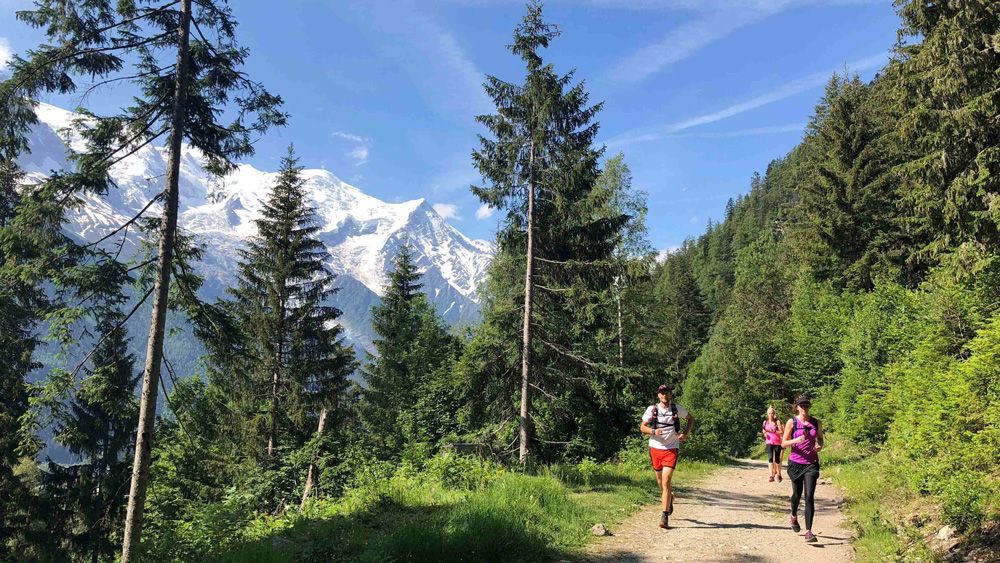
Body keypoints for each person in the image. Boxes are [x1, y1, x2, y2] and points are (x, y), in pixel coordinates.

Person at [640, 384, 695, 529]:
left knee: (666, 482)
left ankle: (664, 516)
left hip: (671, 449)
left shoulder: (677, 409)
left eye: (667, 393)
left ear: (670, 395)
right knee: (660, 482)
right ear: (658, 395)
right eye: (662, 393)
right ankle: (670, 499)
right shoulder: (652, 409)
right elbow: (642, 426)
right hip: (655, 449)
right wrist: (653, 431)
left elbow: (690, 419)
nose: (664, 395)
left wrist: (685, 434)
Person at [782, 395, 824, 543]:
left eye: (807, 405)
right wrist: (796, 440)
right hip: (796, 463)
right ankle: (793, 515)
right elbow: (783, 443)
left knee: (809, 497)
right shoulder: (791, 422)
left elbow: (820, 438)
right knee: (796, 495)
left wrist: (819, 445)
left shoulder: (816, 422)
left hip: (811, 463)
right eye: (802, 405)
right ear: (797, 407)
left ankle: (809, 531)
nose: (805, 408)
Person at [762, 406, 783, 483]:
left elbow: (781, 432)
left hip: (777, 442)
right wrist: (765, 434)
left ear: (774, 414)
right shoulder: (765, 422)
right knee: (770, 459)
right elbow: (764, 430)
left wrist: (774, 431)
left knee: (777, 459)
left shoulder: (777, 422)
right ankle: (771, 475)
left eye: (772, 413)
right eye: (769, 413)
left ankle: (779, 474)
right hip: (769, 442)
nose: (771, 414)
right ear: (767, 414)